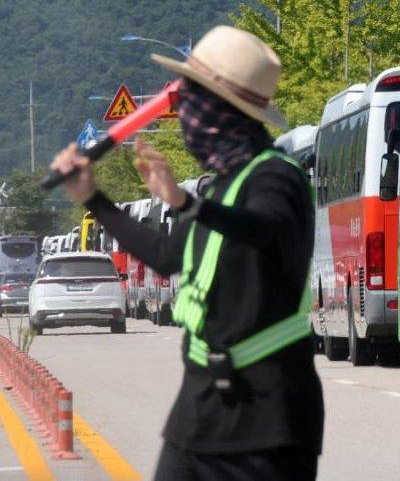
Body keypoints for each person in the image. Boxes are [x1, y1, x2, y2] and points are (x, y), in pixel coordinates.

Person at [50, 26, 323, 480]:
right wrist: (93, 200)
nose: (184, 115)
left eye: (191, 101)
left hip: (268, 418)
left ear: (223, 110)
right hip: (199, 412)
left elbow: (266, 229)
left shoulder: (279, 178)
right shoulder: (220, 185)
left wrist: (186, 203)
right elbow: (164, 255)